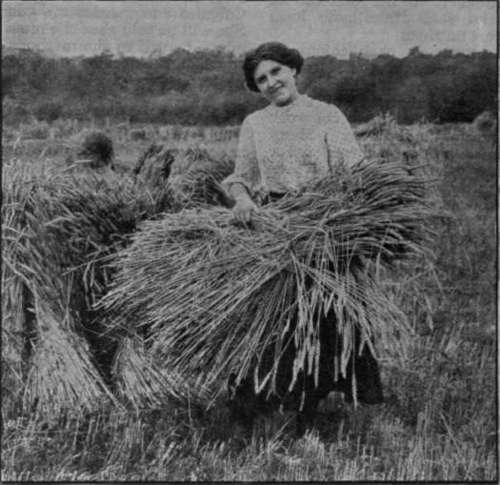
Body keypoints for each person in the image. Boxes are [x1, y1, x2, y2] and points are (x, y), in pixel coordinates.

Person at [221, 42, 383, 432]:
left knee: (324, 319)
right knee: (272, 315)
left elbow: (356, 171)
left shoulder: (326, 115)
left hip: (327, 224)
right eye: (261, 79)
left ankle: (306, 410)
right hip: (279, 227)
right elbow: (239, 178)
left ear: (293, 69)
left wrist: (340, 213)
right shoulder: (255, 124)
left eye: (277, 71)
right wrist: (243, 200)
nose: (272, 82)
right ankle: (260, 401)